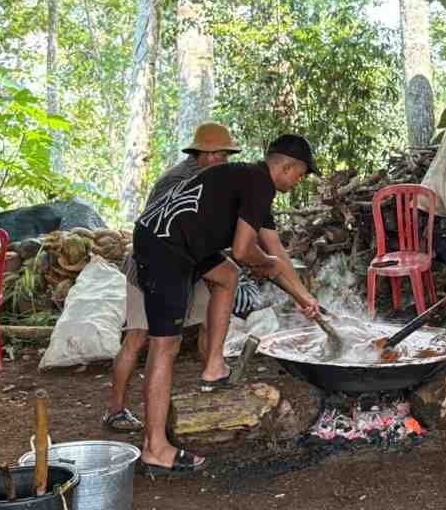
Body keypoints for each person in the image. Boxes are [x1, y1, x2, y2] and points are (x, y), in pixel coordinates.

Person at [134, 134, 322, 475]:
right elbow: (244, 250)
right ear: (286, 166)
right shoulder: (258, 182)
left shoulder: (250, 182)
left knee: (227, 276)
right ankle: (155, 447)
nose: (299, 182)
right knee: (165, 346)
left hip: (179, 241)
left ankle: (214, 367)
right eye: (301, 174)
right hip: (164, 245)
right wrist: (263, 263)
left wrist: (304, 299)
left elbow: (275, 252)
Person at [104, 123, 260, 432]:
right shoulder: (176, 181)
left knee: (210, 320)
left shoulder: (212, 179)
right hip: (150, 268)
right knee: (138, 338)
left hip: (194, 264)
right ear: (210, 155)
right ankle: (116, 410)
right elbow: (159, 233)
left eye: (228, 155)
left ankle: (212, 381)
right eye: (223, 155)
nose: (226, 161)